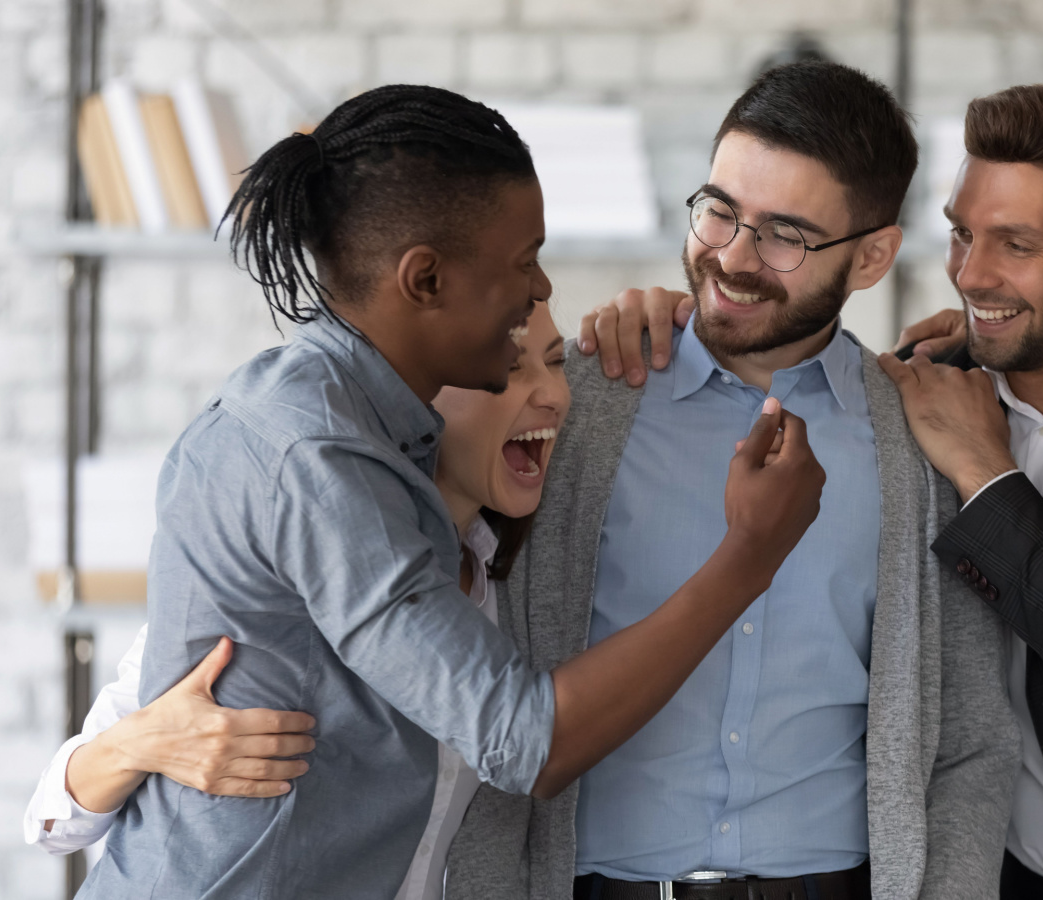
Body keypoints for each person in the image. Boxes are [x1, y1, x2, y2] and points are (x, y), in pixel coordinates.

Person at [74, 84, 826, 900]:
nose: (540, 290)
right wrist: (750, 555)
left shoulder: (373, 429)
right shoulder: (313, 457)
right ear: (425, 280)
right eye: (523, 261)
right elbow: (520, 739)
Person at [604, 84, 1043, 899]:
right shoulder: (936, 383)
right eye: (964, 234)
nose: (972, 273)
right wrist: (670, 316)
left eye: (1017, 244)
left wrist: (985, 474)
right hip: (1006, 875)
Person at [446, 62, 1018, 900]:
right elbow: (468, 663)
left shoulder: (919, 438)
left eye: (785, 235)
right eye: (720, 211)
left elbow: (971, 736)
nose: (732, 258)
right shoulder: (580, 405)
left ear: (871, 258)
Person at [27, 302, 571, 900]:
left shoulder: (515, 594)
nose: (552, 394)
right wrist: (139, 742)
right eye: (514, 368)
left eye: (557, 362)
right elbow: (53, 821)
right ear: (423, 398)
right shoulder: (287, 561)